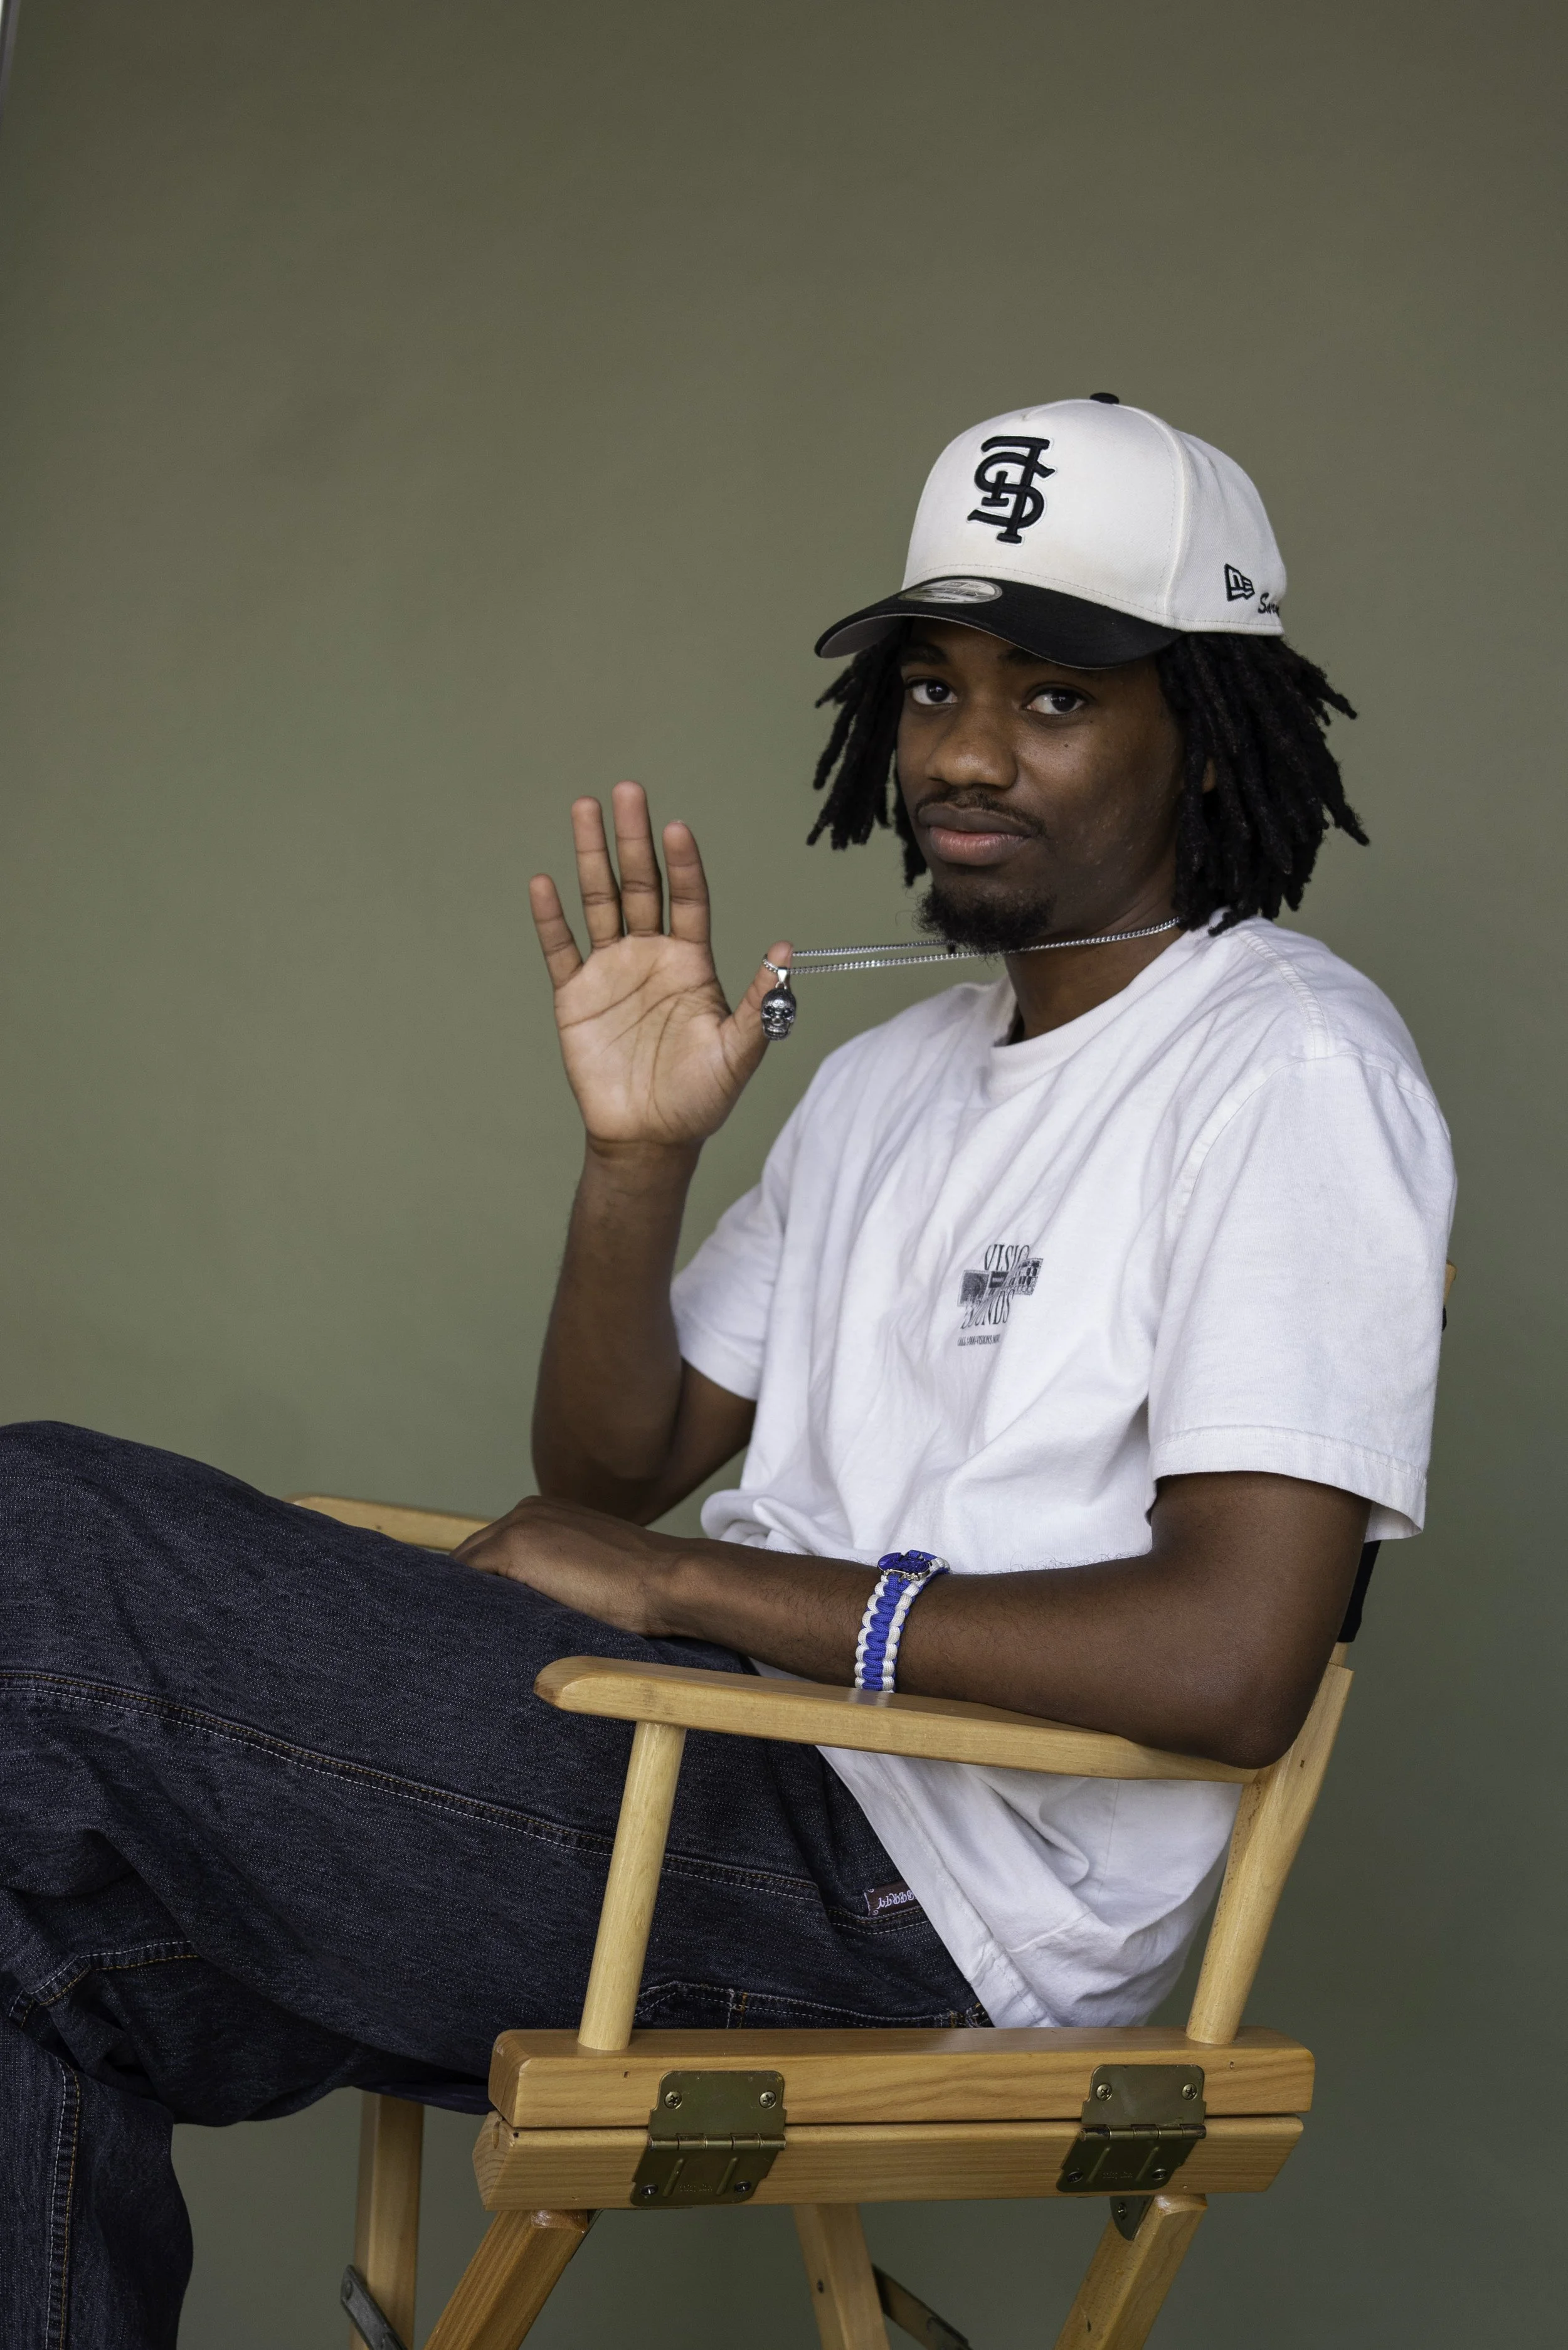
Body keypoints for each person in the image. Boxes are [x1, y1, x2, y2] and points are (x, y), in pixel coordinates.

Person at [0, 397, 1454, 2347]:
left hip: (916, 1889)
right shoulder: (889, 1081)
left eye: (1052, 699)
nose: (957, 749)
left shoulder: (1286, 1070)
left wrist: (691, 1588)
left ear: (1209, 727)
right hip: (700, 1765)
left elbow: (1231, 1663)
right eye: (934, 686)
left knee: (35, 1538)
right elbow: (609, 1471)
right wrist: (636, 1157)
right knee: (26, 1924)